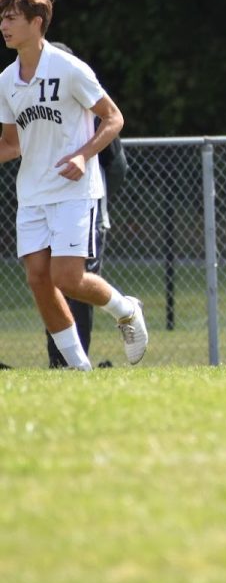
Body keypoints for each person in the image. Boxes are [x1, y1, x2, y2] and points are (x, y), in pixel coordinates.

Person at [0, 0, 148, 370]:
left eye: (11, 18)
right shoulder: (5, 80)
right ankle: (78, 370)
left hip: (74, 191)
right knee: (38, 279)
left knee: (67, 278)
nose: (3, 25)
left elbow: (113, 117)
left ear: (36, 22)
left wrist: (84, 155)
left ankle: (126, 309)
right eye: (2, 18)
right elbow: (11, 145)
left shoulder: (69, 69)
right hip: (32, 194)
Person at [45, 42, 129, 368]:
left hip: (86, 210)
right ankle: (59, 362)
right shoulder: (38, 105)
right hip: (47, 206)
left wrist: (100, 204)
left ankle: (75, 363)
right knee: (46, 282)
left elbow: (117, 166)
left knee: (75, 285)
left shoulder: (88, 107)